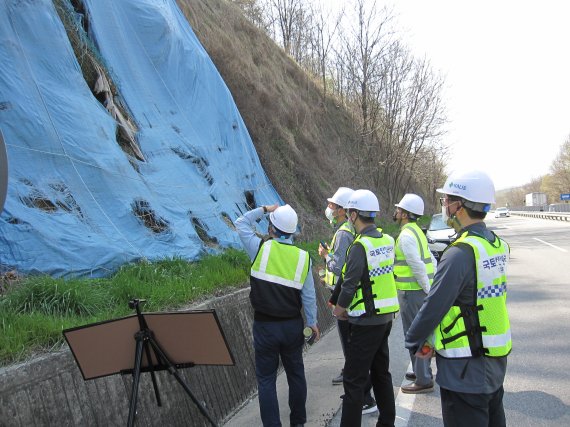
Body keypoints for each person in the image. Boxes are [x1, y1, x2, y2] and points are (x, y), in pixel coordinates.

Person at [405, 170, 511, 427]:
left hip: (465, 368)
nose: (444, 205)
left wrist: (414, 340)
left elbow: (435, 305)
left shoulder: (460, 253)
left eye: (447, 200)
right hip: (493, 361)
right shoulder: (496, 244)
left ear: (459, 206)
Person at [236, 203, 320, 427]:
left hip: (265, 327)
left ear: (271, 228)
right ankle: (298, 423)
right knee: (296, 374)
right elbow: (309, 296)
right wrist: (312, 323)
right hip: (293, 327)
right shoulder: (303, 257)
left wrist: (264, 209)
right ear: (292, 232)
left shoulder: (259, 248)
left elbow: (241, 223)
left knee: (266, 380)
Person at [331, 189, 398, 427]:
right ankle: (387, 422)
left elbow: (349, 284)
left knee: (353, 380)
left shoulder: (360, 246)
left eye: (349, 212)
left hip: (365, 321)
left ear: (354, 214)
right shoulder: (388, 240)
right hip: (385, 318)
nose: (348, 215)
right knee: (381, 373)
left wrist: (339, 309)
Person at [319, 187, 377, 414]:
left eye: (333, 206)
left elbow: (342, 268)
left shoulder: (343, 234)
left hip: (345, 297)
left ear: (345, 211)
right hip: (352, 297)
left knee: (352, 348)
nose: (329, 209)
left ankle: (364, 397)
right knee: (356, 350)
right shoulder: (349, 231)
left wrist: (325, 256)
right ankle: (360, 387)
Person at [393, 193, 437, 394]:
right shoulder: (417, 231)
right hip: (416, 291)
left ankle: (423, 378)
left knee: (416, 335)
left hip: (413, 293)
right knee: (417, 334)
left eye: (399, 209)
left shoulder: (406, 236)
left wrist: (429, 291)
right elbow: (431, 260)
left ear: (404, 213)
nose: (396, 211)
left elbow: (418, 266)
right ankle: (421, 371)